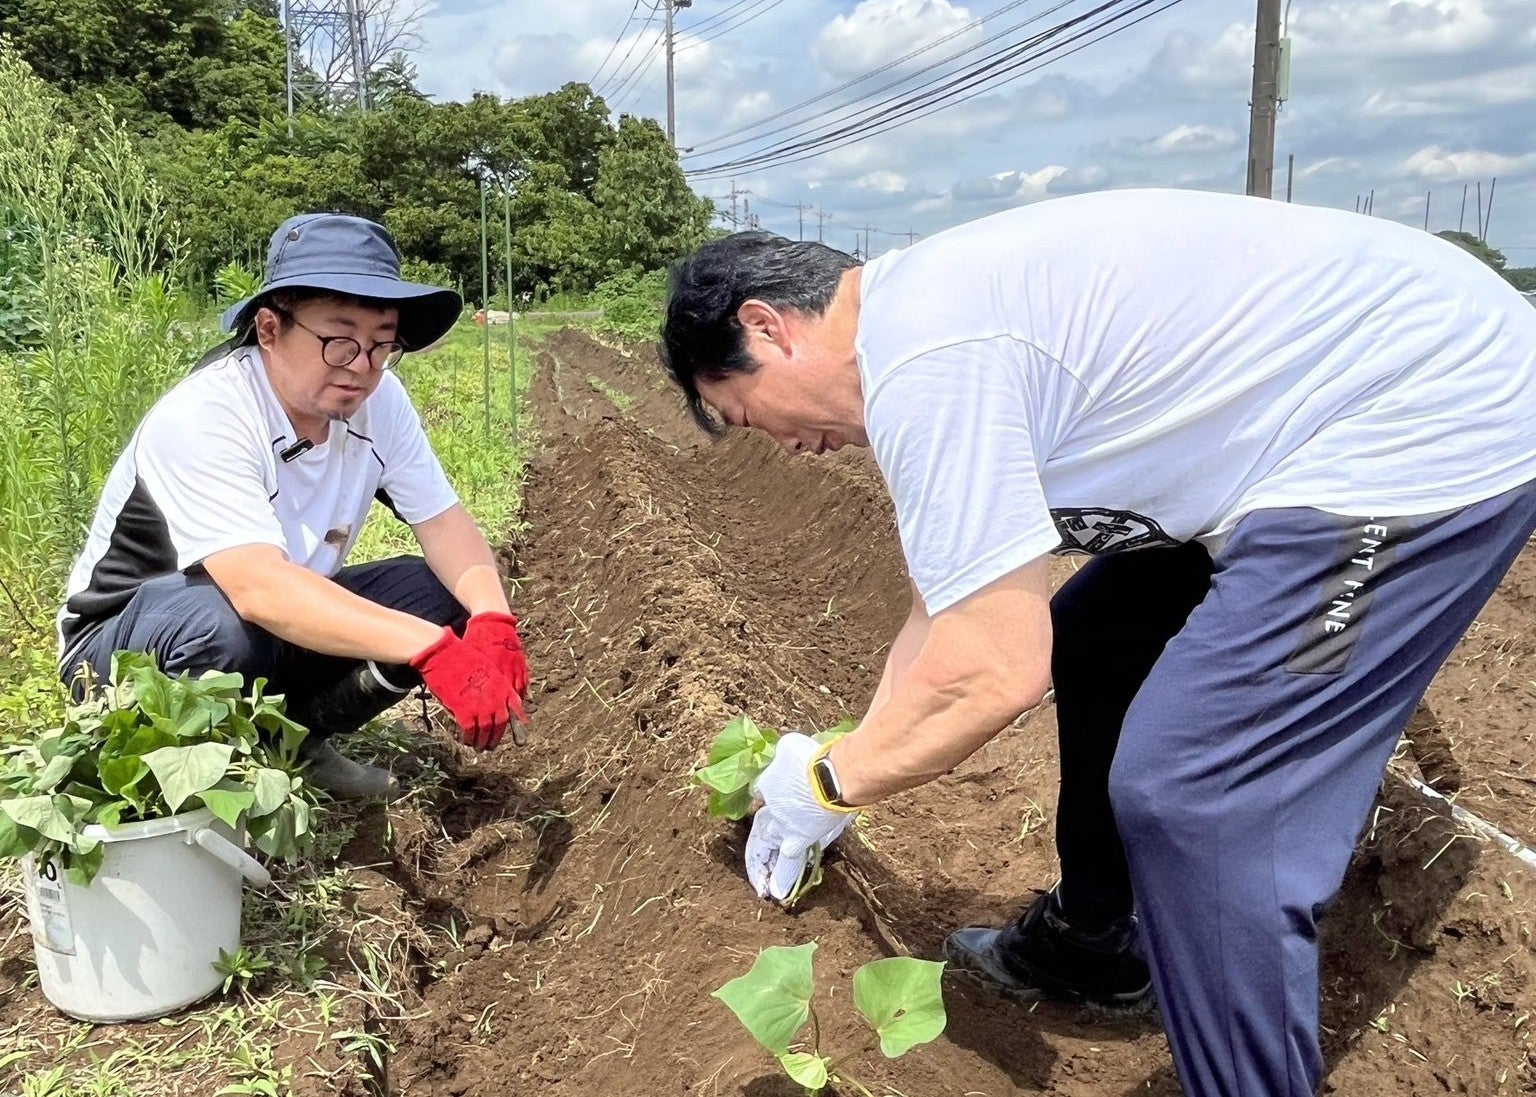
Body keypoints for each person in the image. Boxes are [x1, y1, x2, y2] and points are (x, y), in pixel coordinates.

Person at [657, 188, 1536, 1097]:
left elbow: (992, 672)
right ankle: (1098, 942)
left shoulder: (930, 358)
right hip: (1286, 443)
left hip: (1422, 420)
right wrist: (842, 765)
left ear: (767, 328)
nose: (783, 446)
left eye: (749, 412)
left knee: (1202, 792)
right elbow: (942, 616)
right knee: (1094, 639)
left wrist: (827, 785)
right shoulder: (916, 340)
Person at [57, 213, 530, 799]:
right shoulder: (209, 414)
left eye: (382, 345)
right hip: (127, 648)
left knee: (435, 594)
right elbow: (258, 589)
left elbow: (443, 522)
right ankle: (198, 784)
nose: (361, 365)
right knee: (221, 624)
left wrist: (491, 624)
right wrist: (432, 652)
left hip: (265, 622)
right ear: (269, 329)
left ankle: (295, 743)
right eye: (339, 340)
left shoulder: (378, 402)